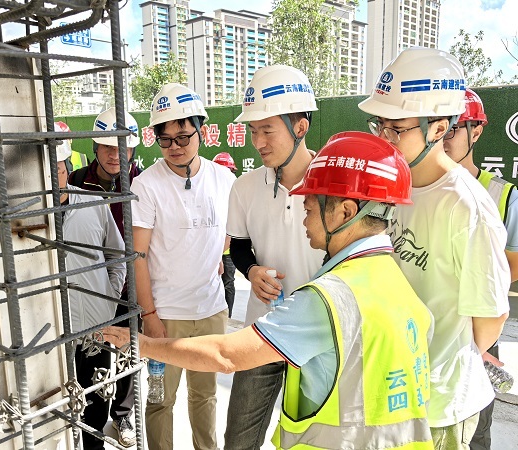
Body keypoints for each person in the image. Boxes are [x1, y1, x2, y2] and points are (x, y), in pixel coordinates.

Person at [104, 131, 436, 450]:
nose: (303, 219)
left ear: (345, 212)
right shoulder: (392, 277)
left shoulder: (328, 299)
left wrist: (142, 344)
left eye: (309, 208)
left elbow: (226, 355)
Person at [358, 47, 510, 449]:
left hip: (440, 405)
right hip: (393, 389)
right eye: (380, 126)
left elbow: (491, 316)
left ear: (439, 127)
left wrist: (441, 361)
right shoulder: (394, 186)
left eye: (397, 128)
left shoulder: (466, 206)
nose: (385, 139)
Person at [223, 64, 325, 449]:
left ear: (300, 126)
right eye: (253, 131)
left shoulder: (333, 183)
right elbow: (239, 245)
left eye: (267, 130)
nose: (258, 142)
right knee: (239, 440)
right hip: (263, 328)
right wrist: (251, 271)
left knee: (313, 441)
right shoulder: (244, 187)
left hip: (320, 337)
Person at [130, 83, 236, 450]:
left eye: (183, 137)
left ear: (201, 131)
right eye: (165, 139)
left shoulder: (224, 179)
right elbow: (138, 256)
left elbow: (231, 232)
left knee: (205, 396)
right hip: (166, 314)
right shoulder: (146, 185)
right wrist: (149, 315)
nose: (175, 146)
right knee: (160, 399)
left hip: (210, 310)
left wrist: (216, 257)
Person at [442, 88, 518, 450]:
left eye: (453, 128)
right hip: (428, 330)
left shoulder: (501, 194)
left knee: (475, 429)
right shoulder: (416, 190)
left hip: (480, 328)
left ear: (477, 131)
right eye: (437, 126)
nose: (443, 137)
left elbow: (513, 264)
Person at [67, 107, 140, 447]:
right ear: (95, 147)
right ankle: (81, 419)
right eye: (108, 147)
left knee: (125, 352)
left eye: (123, 147)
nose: (115, 155)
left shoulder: (141, 183)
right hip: (89, 288)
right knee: (86, 359)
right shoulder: (76, 182)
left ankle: (122, 414)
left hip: (130, 282)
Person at [55, 122, 127, 450]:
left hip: (97, 324)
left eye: (57, 170)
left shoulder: (92, 202)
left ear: (67, 169)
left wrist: (110, 297)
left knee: (97, 397)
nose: (52, 178)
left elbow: (117, 254)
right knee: (59, 400)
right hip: (54, 332)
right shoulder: (28, 215)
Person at [212, 152, 238, 317]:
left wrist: (220, 254)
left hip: (228, 251)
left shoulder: (236, 193)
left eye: (228, 171)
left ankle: (227, 318)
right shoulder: (207, 191)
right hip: (211, 249)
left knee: (228, 283)